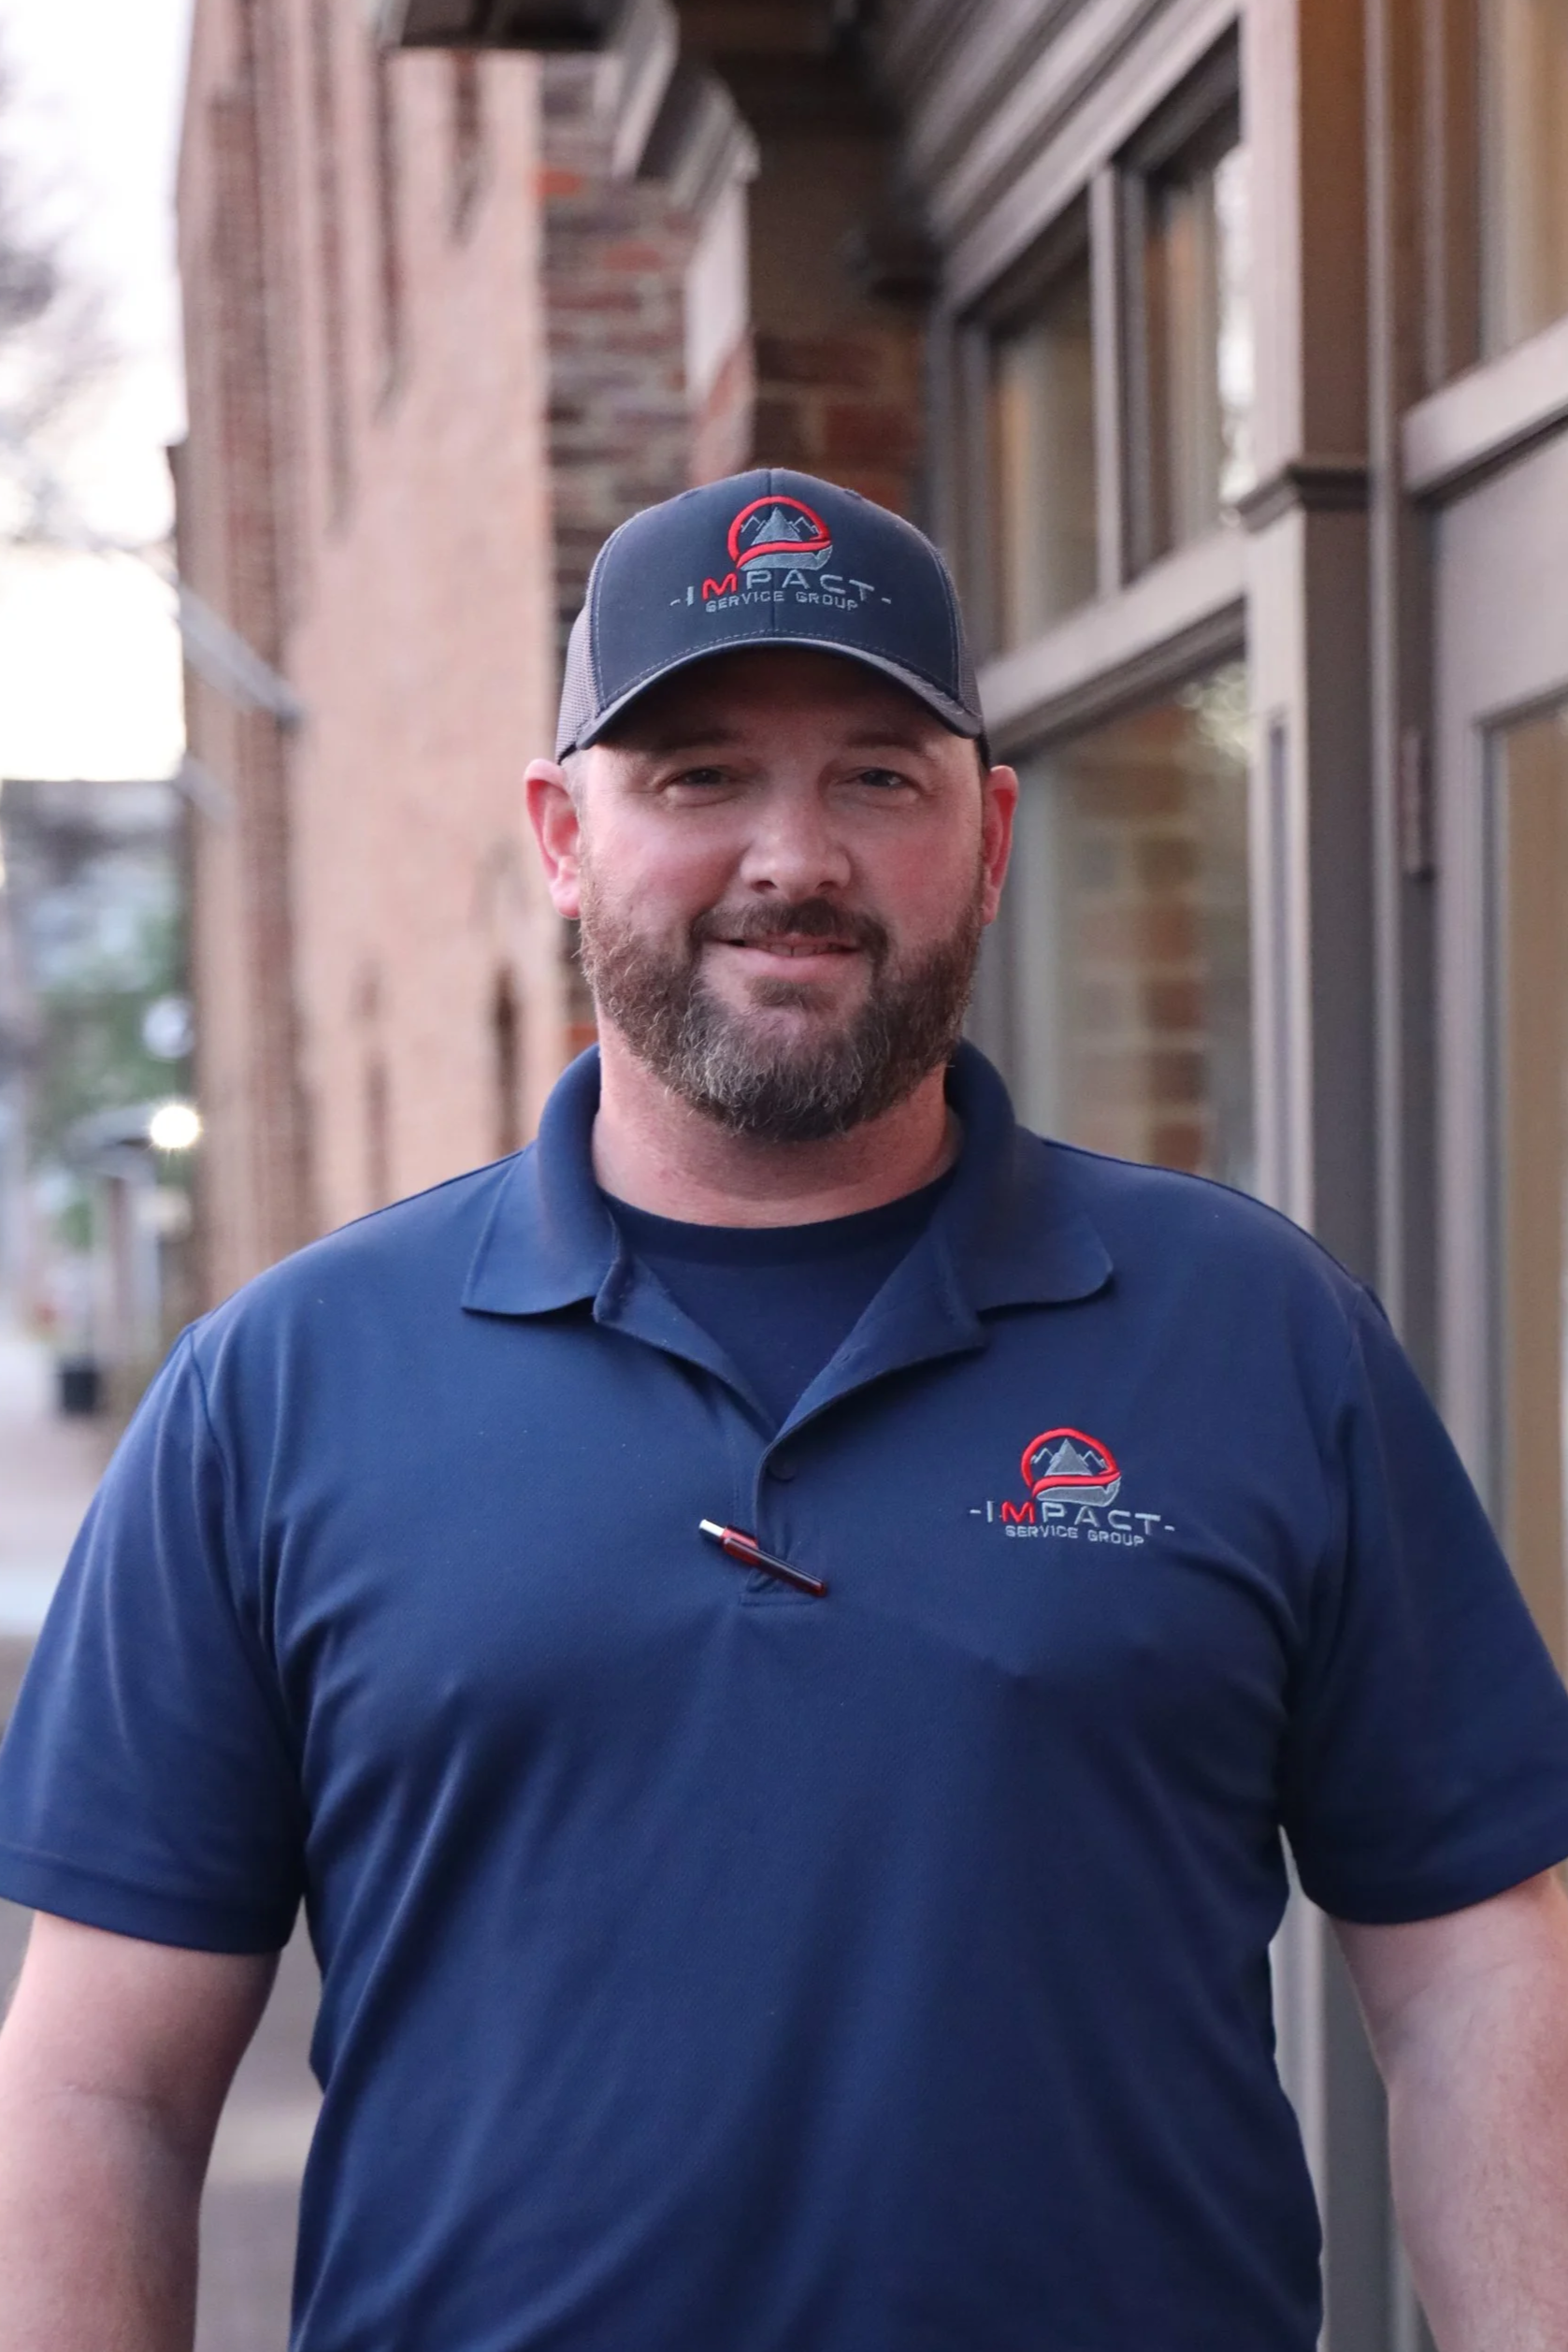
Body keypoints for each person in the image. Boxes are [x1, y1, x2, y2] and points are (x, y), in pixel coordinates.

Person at [1, 468, 1567, 2352]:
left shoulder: (1256, 1335)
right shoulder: (284, 1388)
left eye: (876, 777)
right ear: (561, 833)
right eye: (698, 775)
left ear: (987, 834)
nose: (793, 857)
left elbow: (1477, 1970)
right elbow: (101, 2084)